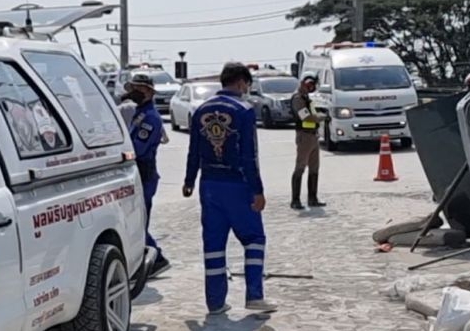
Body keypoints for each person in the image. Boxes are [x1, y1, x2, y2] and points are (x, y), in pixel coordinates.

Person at [183, 62, 278, 315]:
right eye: (247, 84)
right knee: (254, 239)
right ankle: (254, 296)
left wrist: (189, 180)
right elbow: (249, 155)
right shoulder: (244, 110)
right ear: (240, 82)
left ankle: (215, 302)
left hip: (209, 185)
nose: (247, 89)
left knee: (213, 244)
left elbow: (193, 151)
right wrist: (257, 190)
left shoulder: (200, 109)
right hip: (237, 185)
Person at [125, 73, 170, 277]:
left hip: (145, 174)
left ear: (149, 92)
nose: (133, 92)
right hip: (138, 174)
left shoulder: (150, 117)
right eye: (132, 87)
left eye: (138, 88)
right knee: (135, 221)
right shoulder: (139, 113)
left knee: (138, 222)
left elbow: (138, 148)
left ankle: (157, 259)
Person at [289, 72, 327, 210]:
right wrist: (321, 118)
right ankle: (295, 200)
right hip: (304, 136)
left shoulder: (306, 98)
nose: (311, 87)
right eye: (309, 84)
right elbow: (306, 118)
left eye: (313, 85)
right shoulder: (298, 99)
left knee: (314, 168)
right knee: (300, 167)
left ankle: (312, 198)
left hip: (313, 135)